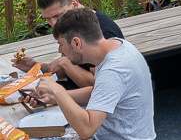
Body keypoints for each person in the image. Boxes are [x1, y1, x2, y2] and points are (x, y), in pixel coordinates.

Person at [31, 8, 154, 140]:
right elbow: (99, 93)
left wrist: (58, 91)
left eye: (61, 44)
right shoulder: (117, 45)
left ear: (76, 43)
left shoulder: (113, 71)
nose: (60, 50)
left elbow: (86, 130)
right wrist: (52, 98)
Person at [12, 0, 125, 105]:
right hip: (72, 97)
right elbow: (67, 71)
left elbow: (99, 86)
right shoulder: (71, 24)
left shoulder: (102, 31)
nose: (53, 23)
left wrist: (65, 64)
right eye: (47, 19)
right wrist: (34, 66)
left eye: (57, 16)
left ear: (75, 3)